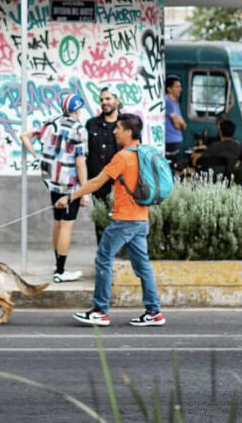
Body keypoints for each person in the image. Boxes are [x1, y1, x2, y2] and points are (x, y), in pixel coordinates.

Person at [63, 113, 165, 327]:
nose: (114, 131)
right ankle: (154, 312)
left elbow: (97, 182)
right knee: (142, 265)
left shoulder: (123, 157)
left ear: (128, 131)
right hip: (140, 218)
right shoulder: (144, 153)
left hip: (124, 219)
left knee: (103, 258)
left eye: (118, 127)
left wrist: (72, 196)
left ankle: (100, 310)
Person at [20, 93, 88, 283]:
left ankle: (58, 264)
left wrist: (37, 156)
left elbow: (25, 136)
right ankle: (60, 271)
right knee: (67, 226)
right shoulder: (78, 130)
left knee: (57, 222)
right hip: (70, 184)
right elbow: (80, 163)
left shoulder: (50, 122)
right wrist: (85, 192)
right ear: (77, 109)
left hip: (52, 182)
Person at [85, 88, 121, 244]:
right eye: (102, 100)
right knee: (101, 221)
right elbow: (85, 154)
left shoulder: (126, 123)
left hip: (120, 182)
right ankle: (103, 258)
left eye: (108, 99)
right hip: (98, 181)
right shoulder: (92, 124)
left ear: (117, 101)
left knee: (120, 221)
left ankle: (120, 256)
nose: (104, 103)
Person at [164, 76, 186, 162]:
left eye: (180, 87)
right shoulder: (167, 101)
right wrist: (181, 123)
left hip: (177, 140)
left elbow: (183, 125)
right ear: (169, 89)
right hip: (170, 141)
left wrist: (181, 123)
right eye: (177, 87)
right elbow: (177, 124)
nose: (180, 89)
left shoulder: (175, 102)